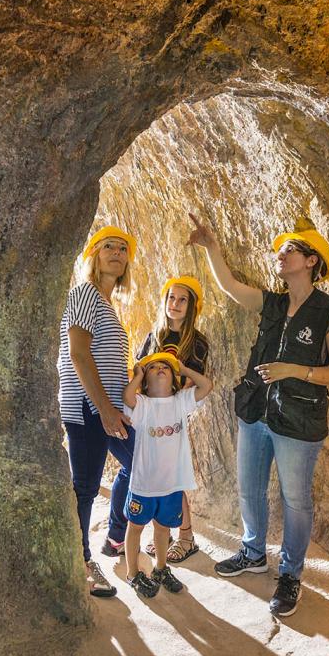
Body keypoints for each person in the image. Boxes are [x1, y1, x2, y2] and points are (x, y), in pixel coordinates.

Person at [188, 213, 329, 617]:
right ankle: (253, 551)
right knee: (249, 488)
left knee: (295, 500)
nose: (280, 255)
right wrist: (212, 247)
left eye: (290, 250)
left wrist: (293, 369)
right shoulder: (274, 303)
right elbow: (229, 287)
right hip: (256, 411)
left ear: (312, 261)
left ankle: (291, 575)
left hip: (299, 420)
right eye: (280, 250)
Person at [57, 225, 138, 599]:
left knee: (142, 461)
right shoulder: (85, 293)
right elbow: (77, 352)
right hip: (89, 408)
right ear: (94, 255)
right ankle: (82, 563)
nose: (117, 253)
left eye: (123, 249)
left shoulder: (106, 303)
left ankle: (116, 538)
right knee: (86, 486)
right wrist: (105, 408)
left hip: (107, 409)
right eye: (108, 246)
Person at [121, 352, 213, 598]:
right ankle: (133, 573)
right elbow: (127, 397)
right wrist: (137, 375)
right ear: (145, 381)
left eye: (166, 367)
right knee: (136, 527)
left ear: (174, 378)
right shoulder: (142, 404)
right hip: (144, 485)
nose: (160, 369)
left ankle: (161, 568)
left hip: (171, 486)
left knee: (163, 530)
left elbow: (206, 386)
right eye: (153, 368)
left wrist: (185, 370)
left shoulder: (181, 400)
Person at [135, 276, 210, 564]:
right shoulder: (155, 335)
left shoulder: (197, 342)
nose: (175, 304)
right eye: (171, 298)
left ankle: (187, 536)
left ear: (191, 306)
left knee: (172, 475)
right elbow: (140, 372)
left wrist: (171, 398)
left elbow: (195, 381)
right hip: (151, 414)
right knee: (157, 475)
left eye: (182, 300)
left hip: (175, 411)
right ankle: (162, 534)